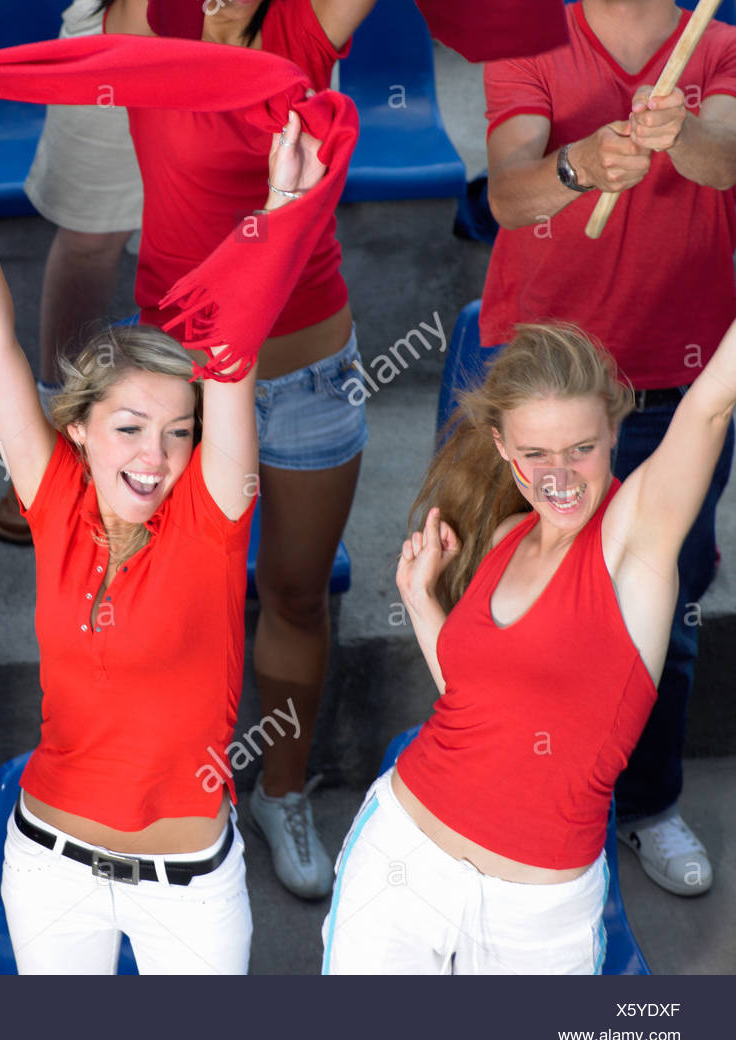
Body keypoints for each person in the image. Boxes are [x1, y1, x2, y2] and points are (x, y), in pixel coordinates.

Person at [0, 75, 325, 972]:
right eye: (131, 428)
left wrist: (279, 210)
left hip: (190, 884)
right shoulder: (56, 496)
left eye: (179, 432)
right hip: (48, 865)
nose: (158, 455)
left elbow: (233, 354)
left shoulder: (212, 517)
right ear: (76, 427)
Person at [324, 318, 736, 974]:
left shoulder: (635, 545)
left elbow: (714, 399)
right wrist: (422, 603)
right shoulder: (505, 537)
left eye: (581, 448)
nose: (561, 475)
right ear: (502, 445)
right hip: (401, 855)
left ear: (613, 435)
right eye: (536, 453)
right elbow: (476, 705)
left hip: (535, 911)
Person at [103, 0, 378, 900]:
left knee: (295, 591)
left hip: (306, 373)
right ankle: (178, 789)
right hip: (179, 382)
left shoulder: (304, 26)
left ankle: (283, 787)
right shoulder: (139, 25)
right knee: (176, 594)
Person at [481, 0, 736, 895]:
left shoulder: (723, 45)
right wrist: (579, 164)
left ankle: (648, 804)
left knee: (669, 599)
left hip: (683, 379)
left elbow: (729, 157)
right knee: (529, 595)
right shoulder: (528, 40)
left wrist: (684, 135)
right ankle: (530, 799)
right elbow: (508, 192)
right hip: (550, 383)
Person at [0, 0, 147, 546]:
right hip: (119, 27)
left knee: (218, 241)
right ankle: (56, 436)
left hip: (253, 31)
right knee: (87, 239)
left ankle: (198, 449)